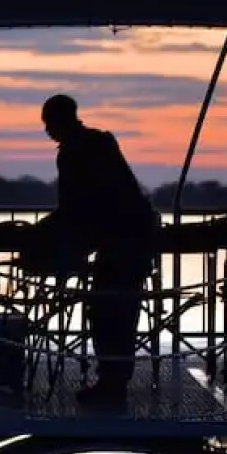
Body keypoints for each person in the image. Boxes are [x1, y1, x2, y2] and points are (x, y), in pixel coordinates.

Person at [40, 94, 161, 406]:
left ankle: (112, 383)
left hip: (123, 240)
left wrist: (44, 232)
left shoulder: (75, 152)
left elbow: (76, 207)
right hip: (132, 236)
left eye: (48, 124)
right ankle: (113, 379)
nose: (47, 132)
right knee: (116, 310)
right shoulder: (101, 142)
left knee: (110, 311)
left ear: (59, 122)